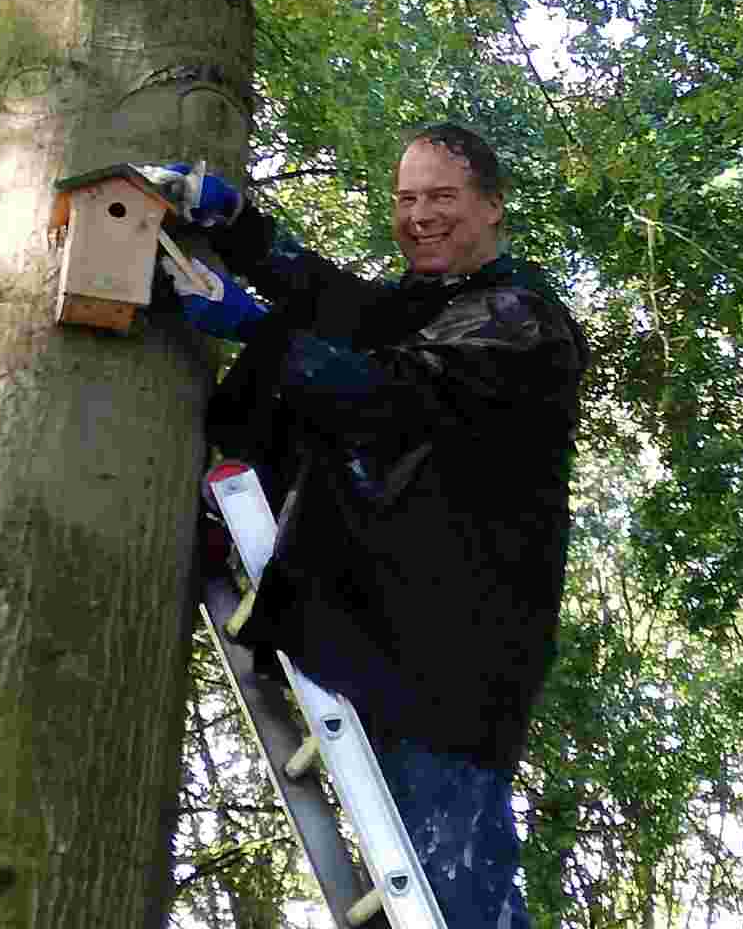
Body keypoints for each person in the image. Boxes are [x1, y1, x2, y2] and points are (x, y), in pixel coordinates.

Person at [160, 123, 589, 929]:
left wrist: (247, 323)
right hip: (390, 628)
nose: (420, 214)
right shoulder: (422, 306)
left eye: (442, 197)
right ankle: (231, 509)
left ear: (492, 208)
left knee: (456, 890)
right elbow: (334, 304)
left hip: (456, 656)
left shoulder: (519, 321)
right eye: (406, 198)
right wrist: (234, 223)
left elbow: (385, 394)